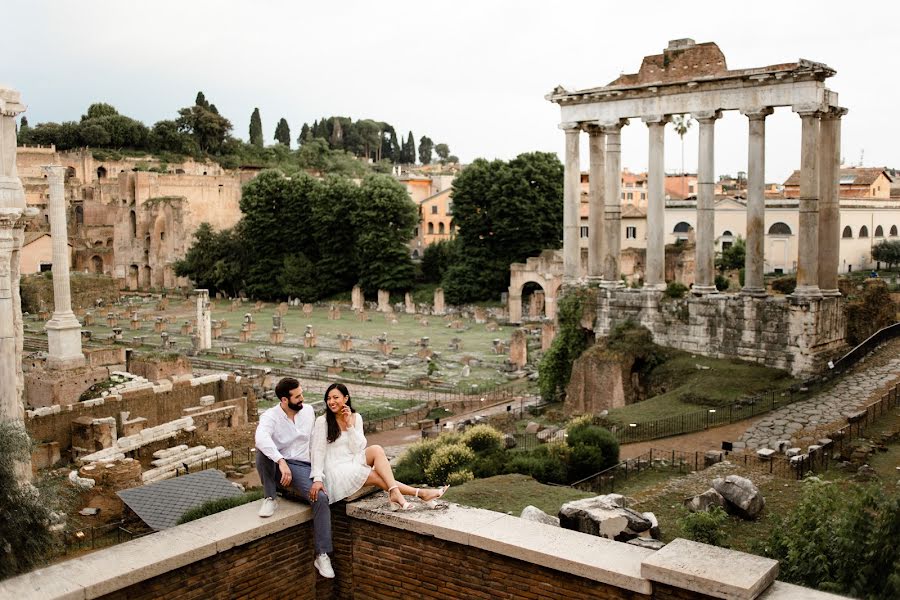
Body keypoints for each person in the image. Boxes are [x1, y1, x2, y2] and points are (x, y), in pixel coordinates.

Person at [311, 382, 448, 510]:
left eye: (335, 397)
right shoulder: (322, 421)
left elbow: (358, 447)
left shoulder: (356, 417)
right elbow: (317, 451)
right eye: (328, 398)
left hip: (352, 458)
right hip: (334, 466)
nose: (331, 402)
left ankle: (400, 494)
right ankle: (419, 493)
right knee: (376, 476)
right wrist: (317, 479)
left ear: (346, 398)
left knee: (376, 449)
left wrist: (349, 425)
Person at [255, 377, 335, 579]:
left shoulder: (307, 411)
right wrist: (281, 461)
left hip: (303, 464)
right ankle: (270, 498)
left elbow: (317, 441)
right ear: (284, 399)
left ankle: (322, 554)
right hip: (279, 463)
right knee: (261, 449)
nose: (302, 399)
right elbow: (261, 437)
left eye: (301, 394)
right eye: (297, 396)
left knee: (321, 499)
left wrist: (319, 472)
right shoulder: (270, 416)